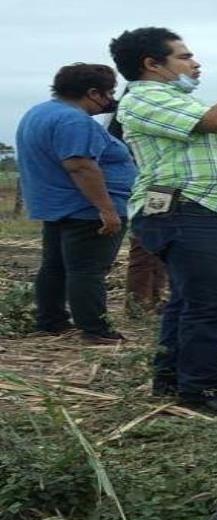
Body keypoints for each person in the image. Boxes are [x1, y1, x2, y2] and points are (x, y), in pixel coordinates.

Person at [111, 27, 217, 415]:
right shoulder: (145, 97)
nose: (195, 63)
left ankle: (171, 379)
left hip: (204, 212)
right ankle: (204, 388)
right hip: (188, 210)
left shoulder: (181, 103)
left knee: (188, 301)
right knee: (213, 302)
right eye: (184, 56)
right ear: (152, 64)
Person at [16, 63, 133, 345]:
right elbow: (81, 166)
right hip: (86, 209)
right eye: (108, 93)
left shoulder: (40, 112)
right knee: (88, 270)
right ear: (93, 92)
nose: (110, 100)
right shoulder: (75, 121)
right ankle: (95, 330)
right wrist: (106, 209)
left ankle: (51, 321)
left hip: (57, 205)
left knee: (55, 266)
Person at [107, 106, 167, 316]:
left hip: (162, 187)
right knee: (144, 246)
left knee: (160, 243)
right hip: (149, 188)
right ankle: (137, 304)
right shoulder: (134, 120)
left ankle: (156, 298)